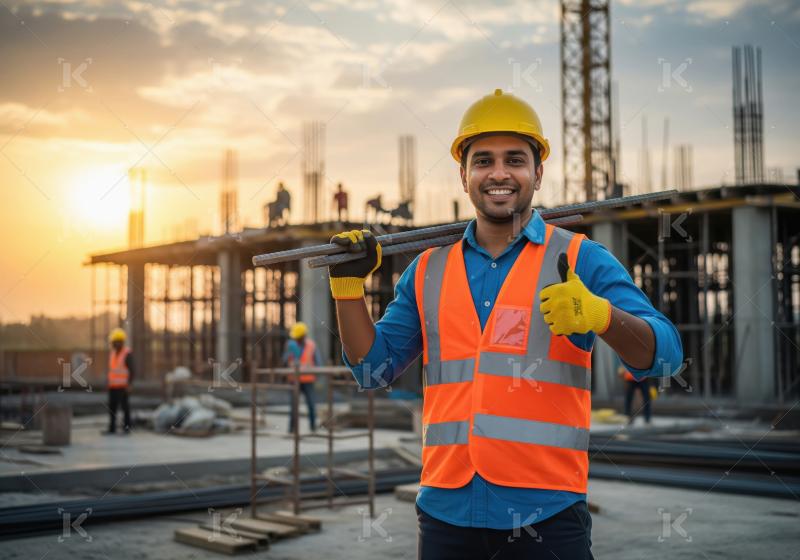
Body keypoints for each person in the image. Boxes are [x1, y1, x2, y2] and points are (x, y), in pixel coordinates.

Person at [328, 89, 684, 559]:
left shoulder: (579, 258)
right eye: (483, 161)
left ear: (537, 172)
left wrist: (601, 315)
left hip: (546, 514)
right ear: (463, 175)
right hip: (445, 513)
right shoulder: (428, 270)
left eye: (515, 159)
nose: (498, 173)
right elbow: (372, 370)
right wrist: (348, 291)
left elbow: (665, 358)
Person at [283, 322, 321, 433]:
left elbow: (318, 363)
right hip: (294, 380)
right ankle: (291, 429)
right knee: (293, 406)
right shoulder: (291, 345)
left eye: (298, 337)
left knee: (311, 404)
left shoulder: (311, 345)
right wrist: (289, 353)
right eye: (296, 338)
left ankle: (313, 427)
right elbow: (284, 360)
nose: (297, 339)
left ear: (304, 336)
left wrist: (317, 376)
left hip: (308, 380)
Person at [105, 327, 134, 435]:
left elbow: (132, 370)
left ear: (120, 342)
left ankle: (127, 428)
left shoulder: (127, 353)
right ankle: (112, 428)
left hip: (123, 386)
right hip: (113, 386)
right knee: (112, 408)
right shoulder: (113, 353)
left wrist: (129, 384)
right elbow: (112, 370)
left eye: (115, 342)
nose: (113, 344)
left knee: (125, 407)